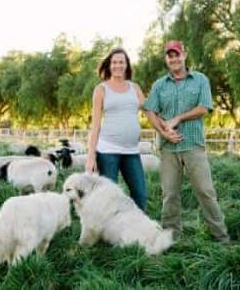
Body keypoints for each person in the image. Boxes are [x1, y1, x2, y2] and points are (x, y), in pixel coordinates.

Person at [143, 40, 229, 242]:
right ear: (166, 59)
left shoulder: (200, 80)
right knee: (170, 195)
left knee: (205, 192)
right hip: (168, 148)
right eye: (169, 56)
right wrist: (164, 132)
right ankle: (171, 237)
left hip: (193, 145)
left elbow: (204, 107)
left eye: (176, 54)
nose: (173, 59)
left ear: (184, 55)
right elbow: (150, 111)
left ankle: (221, 237)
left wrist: (178, 118)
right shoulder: (159, 85)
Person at [85, 48, 147, 211]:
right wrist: (91, 157)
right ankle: (106, 233)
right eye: (114, 62)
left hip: (131, 151)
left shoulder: (135, 88)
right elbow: (96, 125)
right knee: (107, 198)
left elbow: (150, 111)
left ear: (126, 65)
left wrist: (165, 127)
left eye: (121, 62)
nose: (118, 65)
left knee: (140, 194)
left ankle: (137, 232)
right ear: (109, 65)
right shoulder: (101, 89)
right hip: (107, 151)